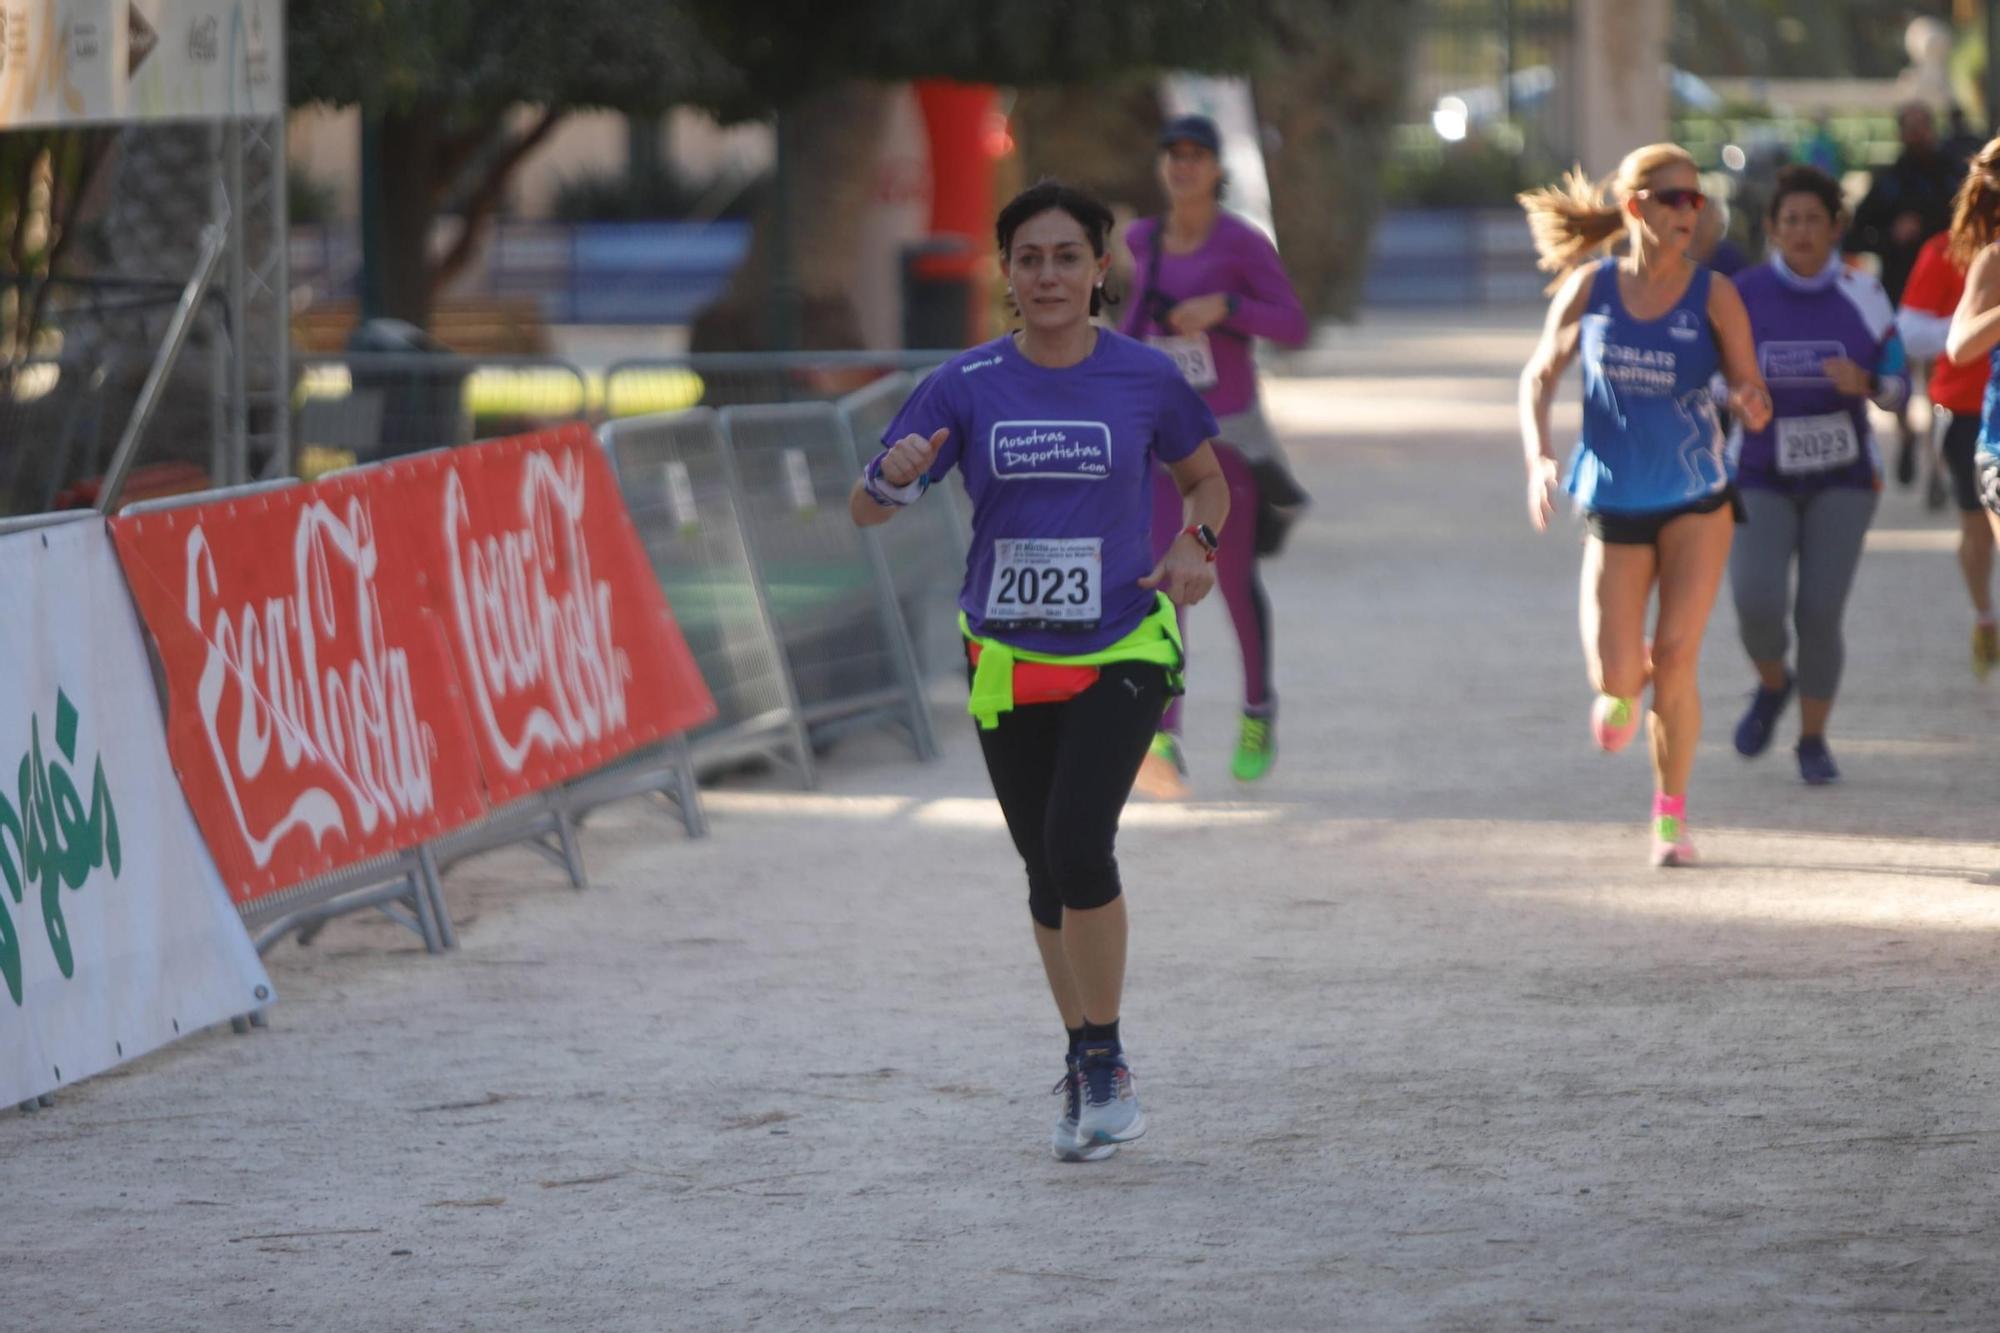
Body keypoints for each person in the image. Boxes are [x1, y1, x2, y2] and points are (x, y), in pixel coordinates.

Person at [851, 181, 1227, 1162]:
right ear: (1005, 272)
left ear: (1098, 269)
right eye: (1030, 257)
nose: (1049, 274)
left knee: (1075, 840)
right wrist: (888, 479)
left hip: (1122, 646)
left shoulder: (1143, 378)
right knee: (1041, 867)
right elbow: (869, 504)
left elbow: (1206, 479)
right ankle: (1080, 1053)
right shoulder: (964, 383)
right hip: (1005, 655)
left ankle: (1103, 1061)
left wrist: (1196, 544)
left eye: (1068, 255)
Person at [1517, 144, 1772, 868]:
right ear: (1636, 207)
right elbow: (1539, 375)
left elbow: (1748, 384)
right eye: (1673, 199)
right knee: (1617, 678)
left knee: (1679, 654)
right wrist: (1539, 453)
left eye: (1697, 199)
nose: (1690, 211)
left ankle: (1670, 817)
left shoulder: (1715, 294)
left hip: (1697, 497)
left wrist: (1751, 402)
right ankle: (1629, 687)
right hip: (1615, 498)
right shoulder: (1590, 290)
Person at [1121, 113, 1310, 796]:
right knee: (1166, 584)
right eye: (1174, 154)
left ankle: (1258, 708)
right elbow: (1132, 325)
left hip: (1226, 438)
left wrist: (1226, 306)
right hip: (1161, 441)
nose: (1184, 166)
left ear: (1217, 169)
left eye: (1198, 155)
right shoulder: (1143, 240)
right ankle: (1164, 731)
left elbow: (1292, 323)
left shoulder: (1242, 243)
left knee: (1227, 579)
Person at [1728, 166, 1908, 785]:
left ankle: (1812, 738)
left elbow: (1900, 386)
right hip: (1759, 471)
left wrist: (1871, 385)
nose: (1802, 232)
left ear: (1836, 227)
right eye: (1790, 221)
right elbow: (1708, 379)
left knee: (1819, 612)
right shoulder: (1742, 294)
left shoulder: (1865, 292)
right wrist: (1733, 396)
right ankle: (1774, 684)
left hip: (1844, 478)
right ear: (1773, 230)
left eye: (1814, 220)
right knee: (1756, 603)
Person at [1898, 227, 1998, 674]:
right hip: (1967, 410)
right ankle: (1985, 615)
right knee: (1976, 529)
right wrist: (1973, 317)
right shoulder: (1948, 250)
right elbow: (1911, 331)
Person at [1848, 102, 1960, 487]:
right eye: (1910, 127)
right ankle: (1907, 433)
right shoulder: (1888, 181)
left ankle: (1935, 463)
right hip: (1900, 294)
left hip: (1945, 295)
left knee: (1935, 379)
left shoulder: (1953, 175)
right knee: (1899, 373)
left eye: (1923, 126)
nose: (1918, 135)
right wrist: (1890, 236)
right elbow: (1856, 232)